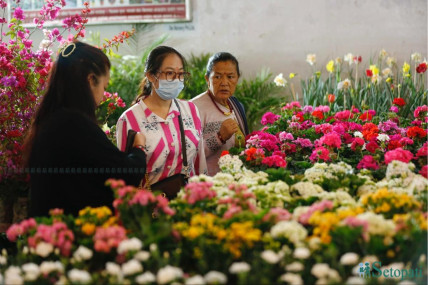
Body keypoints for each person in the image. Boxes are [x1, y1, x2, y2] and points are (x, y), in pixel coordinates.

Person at [24, 41, 147, 217]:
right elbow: (125, 174)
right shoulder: (75, 124)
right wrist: (139, 148)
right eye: (104, 87)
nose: (103, 95)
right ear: (90, 80)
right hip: (70, 235)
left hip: (47, 232)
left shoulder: (49, 120)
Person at [116, 46, 207, 187]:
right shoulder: (129, 119)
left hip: (188, 203)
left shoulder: (190, 110)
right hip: (150, 205)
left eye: (181, 74)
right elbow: (125, 174)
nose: (177, 80)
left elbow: (200, 162)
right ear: (151, 76)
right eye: (170, 73)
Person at [191, 52, 249, 176]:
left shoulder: (237, 105)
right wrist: (219, 138)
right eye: (217, 77)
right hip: (207, 185)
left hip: (237, 180)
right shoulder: (192, 108)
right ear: (207, 78)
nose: (224, 82)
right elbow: (188, 154)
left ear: (237, 78)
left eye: (230, 76)